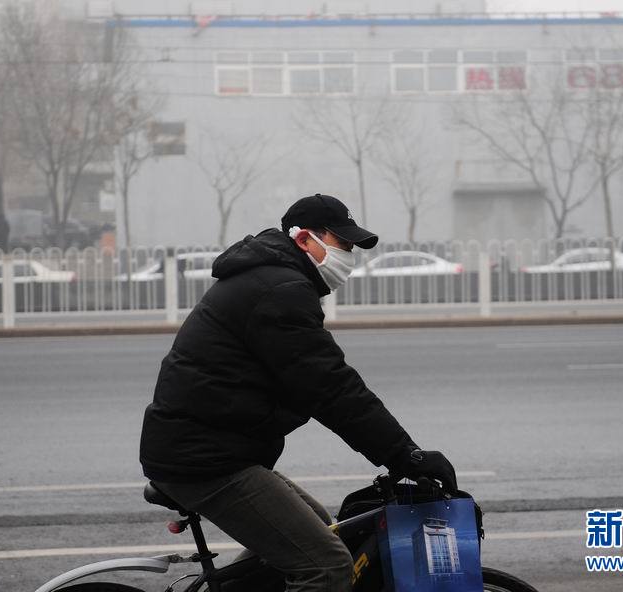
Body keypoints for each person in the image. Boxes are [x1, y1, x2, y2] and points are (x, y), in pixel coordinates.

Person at [140, 194, 458, 592]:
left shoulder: (273, 279)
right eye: (343, 243)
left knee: (315, 535)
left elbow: (322, 384)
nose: (349, 255)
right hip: (205, 460)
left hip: (211, 449)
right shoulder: (279, 290)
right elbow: (331, 387)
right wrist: (405, 455)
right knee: (325, 566)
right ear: (305, 239)